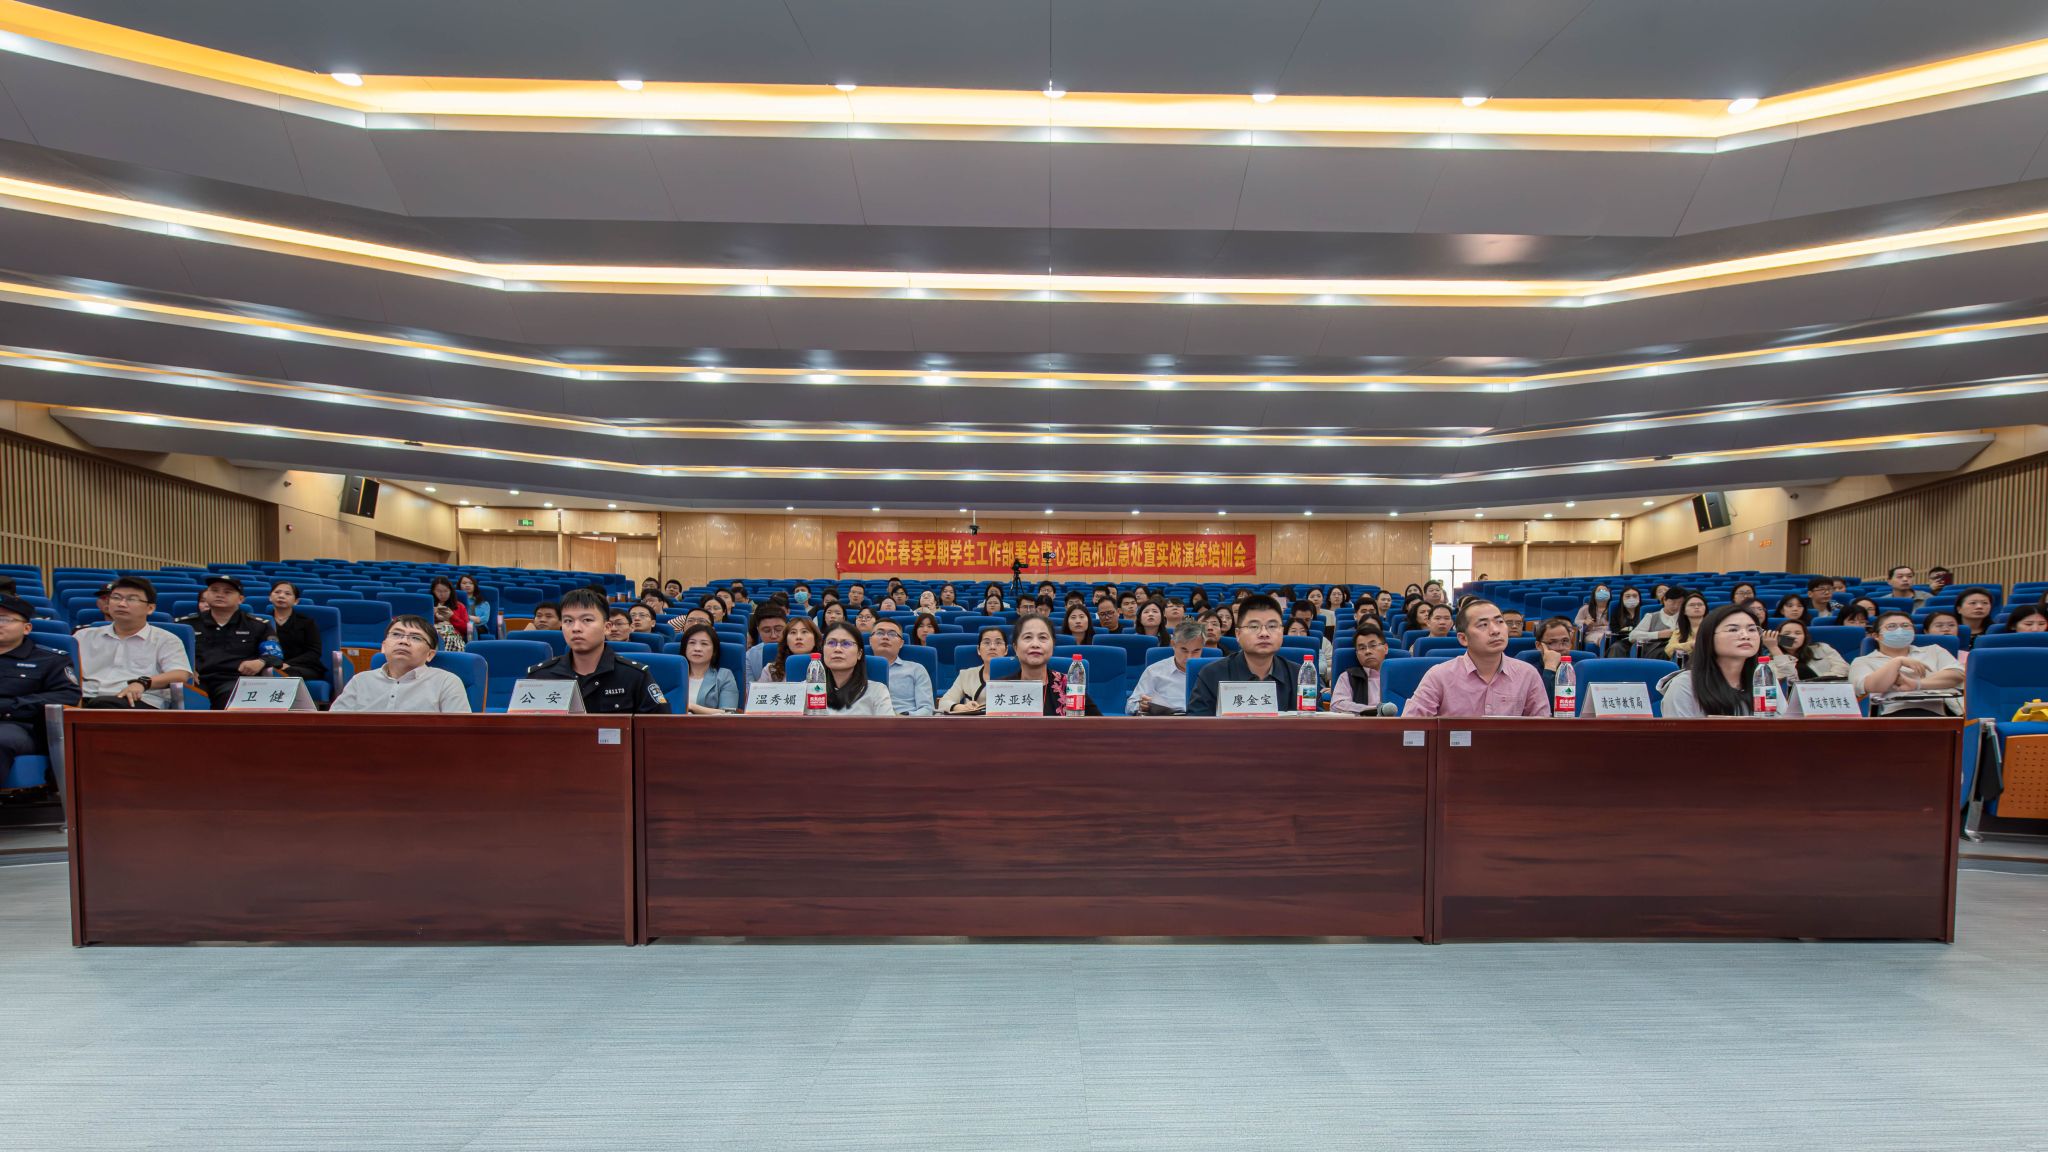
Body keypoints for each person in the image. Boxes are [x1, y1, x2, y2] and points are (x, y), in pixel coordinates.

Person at [523, 589, 667, 713]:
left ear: (607, 627)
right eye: (568, 621)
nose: (576, 628)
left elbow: (660, 729)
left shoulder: (635, 676)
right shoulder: (540, 677)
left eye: (587, 620)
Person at [1401, 599, 1552, 718]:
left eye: (1500, 622)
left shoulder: (1527, 674)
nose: (1495, 630)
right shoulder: (1439, 676)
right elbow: (1410, 727)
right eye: (1483, 625)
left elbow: (1542, 730)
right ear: (1463, 638)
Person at [77, 577, 192, 708]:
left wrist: (143, 683)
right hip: (85, 698)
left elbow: (180, 674)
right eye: (116, 598)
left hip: (137, 701)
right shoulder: (83, 636)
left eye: (131, 599)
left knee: (102, 705)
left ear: (150, 608)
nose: (121, 604)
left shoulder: (166, 640)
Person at [0, 592, 79, 781]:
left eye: (4, 619)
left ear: (26, 628)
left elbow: (68, 695)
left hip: (19, 726)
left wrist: (12, 706)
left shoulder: (50, 659)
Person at [1187, 594, 1305, 716]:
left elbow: (1313, 722)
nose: (1264, 633)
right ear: (1238, 634)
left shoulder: (1300, 676)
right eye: (1254, 626)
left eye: (1272, 626)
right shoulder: (1211, 675)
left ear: (1282, 632)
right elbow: (1197, 724)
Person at [330, 615, 472, 713]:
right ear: (384, 647)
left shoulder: (447, 682)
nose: (403, 641)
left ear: (430, 654)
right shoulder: (360, 681)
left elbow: (459, 735)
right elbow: (334, 726)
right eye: (396, 634)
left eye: (416, 637)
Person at [178, 575, 283, 704]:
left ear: (241, 599)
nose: (220, 595)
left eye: (227, 592)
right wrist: (184, 668)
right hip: (197, 679)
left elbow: (275, 655)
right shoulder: (186, 625)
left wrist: (261, 662)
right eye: (214, 590)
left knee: (233, 696)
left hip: (237, 681)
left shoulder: (258, 625)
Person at [1659, 604, 1770, 718]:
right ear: (1709, 637)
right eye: (1733, 629)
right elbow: (1679, 729)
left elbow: (1777, 723)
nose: (1745, 636)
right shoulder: (1685, 685)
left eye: (1752, 629)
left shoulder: (1765, 680)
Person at [1850, 610, 1964, 715]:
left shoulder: (1934, 650)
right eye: (1891, 626)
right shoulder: (1862, 661)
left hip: (1943, 711)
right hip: (1892, 713)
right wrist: (1897, 661)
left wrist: (1916, 684)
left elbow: (1957, 675)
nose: (1900, 630)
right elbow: (1872, 687)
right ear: (1876, 636)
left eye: (1906, 626)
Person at [994, 614, 1098, 716]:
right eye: (1028, 637)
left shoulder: (1069, 686)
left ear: (1053, 646)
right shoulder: (1000, 689)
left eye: (1043, 637)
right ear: (1015, 647)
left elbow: (1098, 724)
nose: (1035, 644)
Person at [812, 620, 894, 715]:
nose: (837, 649)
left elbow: (887, 724)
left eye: (846, 644)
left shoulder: (877, 691)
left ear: (859, 653)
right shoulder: (806, 688)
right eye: (831, 643)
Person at [1129, 621, 1207, 715]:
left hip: (1203, 720)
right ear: (1173, 644)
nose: (1189, 657)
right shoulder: (1154, 671)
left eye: (1196, 651)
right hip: (1166, 721)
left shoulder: (1210, 671)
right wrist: (1141, 705)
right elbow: (1130, 706)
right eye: (1184, 650)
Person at [263, 582, 327, 684]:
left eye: (287, 593)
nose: (281, 596)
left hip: (302, 666)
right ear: (270, 597)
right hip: (270, 665)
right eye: (277, 592)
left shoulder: (307, 623)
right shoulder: (262, 622)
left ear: (296, 601)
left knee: (287, 673)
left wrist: (287, 664)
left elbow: (314, 652)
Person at [867, 618, 933, 716]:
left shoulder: (916, 669)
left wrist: (902, 717)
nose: (885, 637)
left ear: (901, 643)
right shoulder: (856, 669)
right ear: (870, 640)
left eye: (892, 634)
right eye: (880, 633)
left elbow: (927, 709)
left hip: (906, 722)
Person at [939, 626, 1008, 714]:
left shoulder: (1019, 674)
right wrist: (961, 707)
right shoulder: (966, 675)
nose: (992, 647)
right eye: (987, 643)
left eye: (998, 643)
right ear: (978, 650)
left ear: (1006, 650)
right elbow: (943, 703)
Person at [675, 623, 739, 714]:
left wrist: (691, 707)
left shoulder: (724, 676)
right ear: (685, 648)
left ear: (714, 651)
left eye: (704, 644)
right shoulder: (674, 675)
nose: (697, 648)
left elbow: (729, 714)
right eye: (692, 643)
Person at [1765, 618, 1848, 683]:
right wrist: (1774, 648)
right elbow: (1789, 681)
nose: (1793, 637)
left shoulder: (1822, 648)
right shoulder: (1771, 660)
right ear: (1778, 638)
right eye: (1786, 634)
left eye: (1798, 633)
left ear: (1805, 636)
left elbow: (1843, 668)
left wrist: (1820, 682)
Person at [1329, 626, 1389, 715]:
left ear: (1386, 648)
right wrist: (1375, 710)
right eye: (1362, 648)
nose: (1368, 651)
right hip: (1362, 722)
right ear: (1357, 654)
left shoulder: (1399, 676)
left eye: (1373, 645)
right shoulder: (1348, 677)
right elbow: (1336, 705)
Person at [1530, 616, 1578, 700]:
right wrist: (1550, 667)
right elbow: (1543, 703)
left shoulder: (1579, 669)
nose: (1560, 648)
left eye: (1565, 641)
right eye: (1552, 642)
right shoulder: (1530, 672)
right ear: (1539, 646)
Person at [1629, 586, 1688, 654]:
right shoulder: (1651, 616)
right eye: (1673, 602)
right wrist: (1658, 634)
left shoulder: (1686, 617)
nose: (1676, 606)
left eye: (1680, 603)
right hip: (1655, 651)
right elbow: (1632, 636)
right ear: (1664, 600)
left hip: (1678, 651)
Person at [762, 616, 821, 682]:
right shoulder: (771, 670)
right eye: (793, 632)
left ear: (815, 639)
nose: (798, 637)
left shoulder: (826, 667)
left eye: (804, 632)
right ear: (786, 641)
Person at [1664, 591, 1712, 664]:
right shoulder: (1679, 632)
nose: (1696, 607)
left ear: (1705, 609)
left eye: (1700, 604)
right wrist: (1690, 645)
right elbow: (1669, 650)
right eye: (1692, 605)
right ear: (1684, 611)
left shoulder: (1714, 628)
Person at [744, 605, 789, 682]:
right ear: (758, 630)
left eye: (778, 629)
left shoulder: (799, 650)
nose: (773, 636)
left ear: (787, 627)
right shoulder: (750, 656)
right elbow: (749, 687)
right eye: (767, 631)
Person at [1575, 585, 1612, 652]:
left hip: (1610, 632)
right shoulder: (1586, 608)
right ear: (1594, 595)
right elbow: (1576, 621)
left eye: (1605, 590)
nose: (1603, 592)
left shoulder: (1613, 608)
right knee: (1603, 637)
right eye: (1600, 590)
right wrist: (1584, 621)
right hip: (1592, 633)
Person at [457, 574, 493, 639]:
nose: (467, 585)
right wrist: (474, 618)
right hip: (460, 626)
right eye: (464, 583)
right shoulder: (455, 602)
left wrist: (467, 619)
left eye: (471, 583)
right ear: (459, 585)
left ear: (474, 586)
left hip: (479, 627)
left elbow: (484, 619)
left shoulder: (483, 603)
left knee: (471, 629)